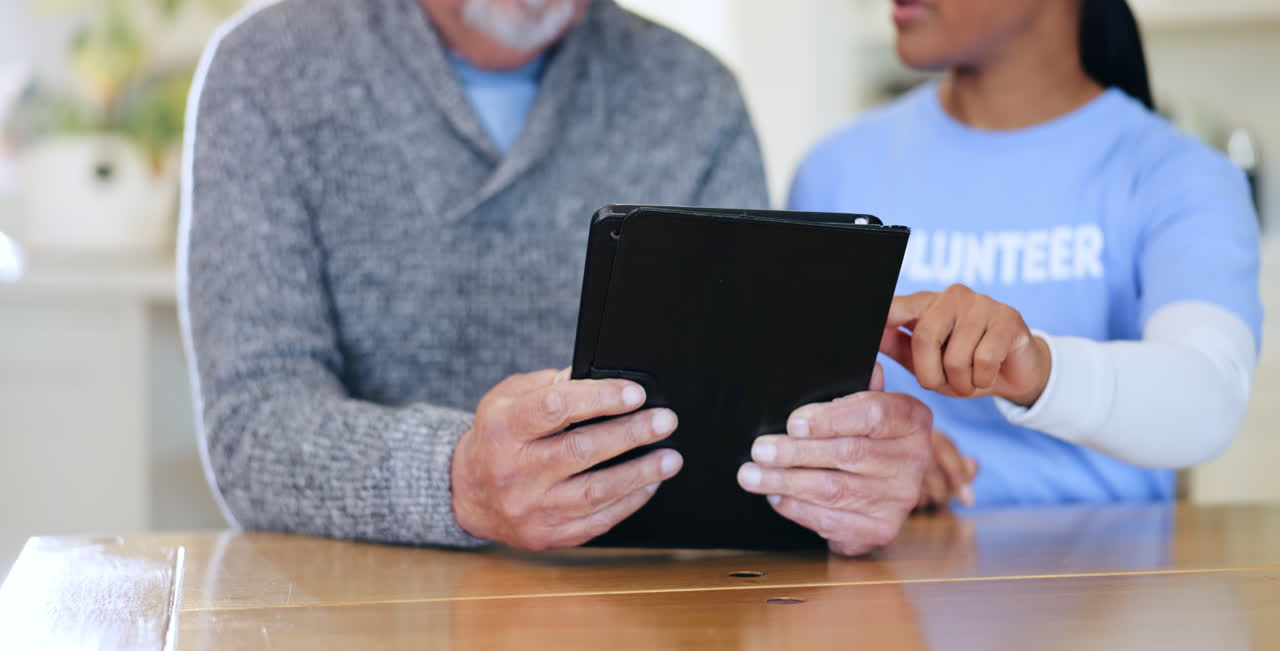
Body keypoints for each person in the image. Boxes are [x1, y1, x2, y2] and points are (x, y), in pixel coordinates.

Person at [182, 0, 933, 556]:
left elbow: (744, 422)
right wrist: (457, 480)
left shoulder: (695, 94)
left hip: (647, 629)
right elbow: (252, 428)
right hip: (350, 616)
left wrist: (838, 486)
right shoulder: (267, 69)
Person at [789, 0, 1261, 507]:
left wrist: (1036, 365)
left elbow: (1207, 398)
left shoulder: (1180, 176)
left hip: (1110, 576)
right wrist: (875, 458)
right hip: (877, 578)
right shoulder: (834, 169)